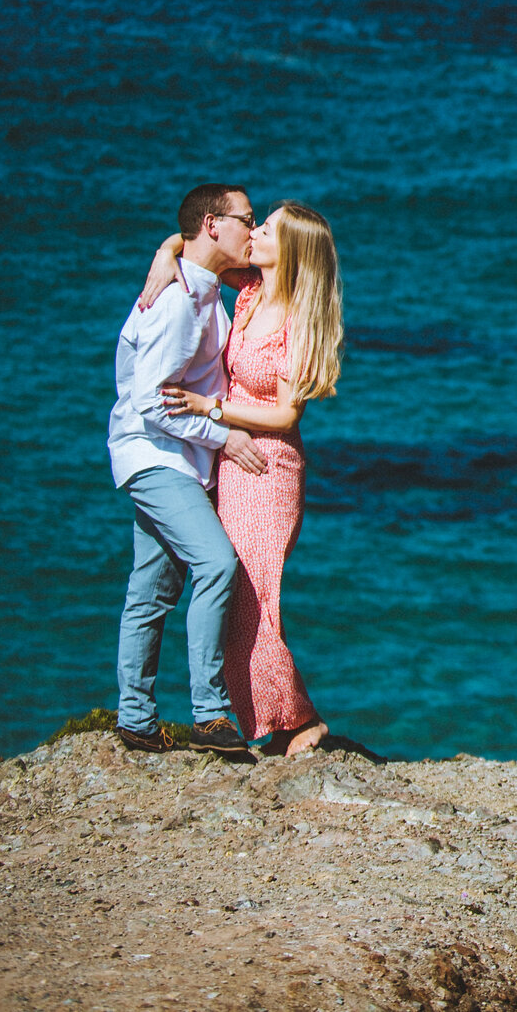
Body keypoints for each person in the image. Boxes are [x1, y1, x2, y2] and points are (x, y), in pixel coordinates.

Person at [141, 201, 344, 757]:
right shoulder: (251, 290)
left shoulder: (298, 319)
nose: (252, 233)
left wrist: (213, 408)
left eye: (265, 229)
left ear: (292, 250)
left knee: (255, 597)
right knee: (237, 598)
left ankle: (299, 720)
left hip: (270, 468)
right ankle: (271, 721)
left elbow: (287, 415)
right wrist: (165, 254)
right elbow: (200, 244)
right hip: (234, 460)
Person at [108, 183, 262, 755]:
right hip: (156, 457)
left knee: (151, 591)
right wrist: (224, 435)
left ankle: (136, 720)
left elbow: (128, 355)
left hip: (171, 458)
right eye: (247, 218)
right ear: (214, 224)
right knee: (218, 564)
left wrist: (168, 247)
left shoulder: (202, 288)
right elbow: (149, 399)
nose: (254, 227)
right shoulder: (176, 300)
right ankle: (209, 713)